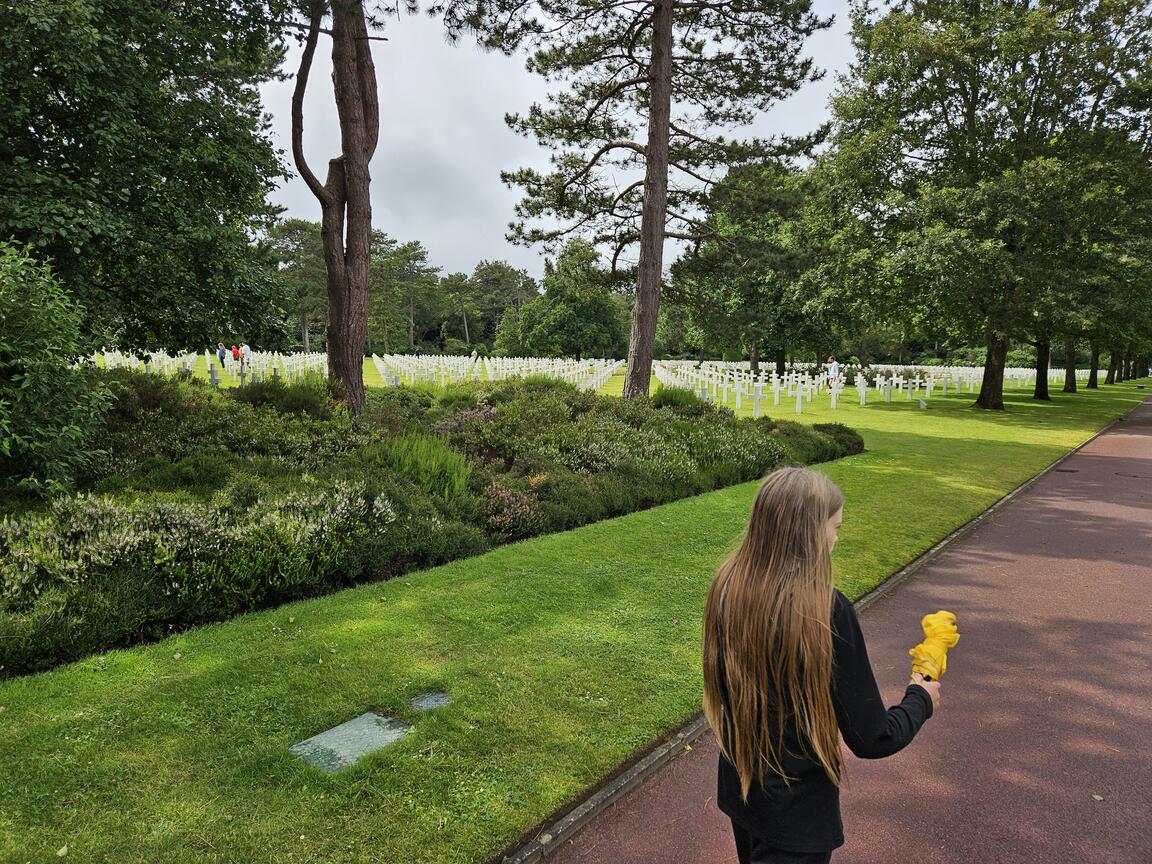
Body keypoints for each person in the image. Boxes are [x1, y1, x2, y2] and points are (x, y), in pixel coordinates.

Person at [702, 468, 940, 863]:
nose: (836, 538)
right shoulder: (826, 610)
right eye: (835, 527)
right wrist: (921, 699)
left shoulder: (728, 585)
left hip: (742, 793)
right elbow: (872, 737)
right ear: (810, 532)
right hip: (798, 817)